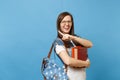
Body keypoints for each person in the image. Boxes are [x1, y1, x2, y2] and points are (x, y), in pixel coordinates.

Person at [54, 12, 93, 80]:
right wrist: (86, 64)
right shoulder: (58, 42)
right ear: (59, 24)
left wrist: (72, 37)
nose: (67, 24)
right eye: (63, 22)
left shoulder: (74, 39)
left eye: (69, 21)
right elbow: (68, 61)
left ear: (72, 23)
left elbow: (90, 44)